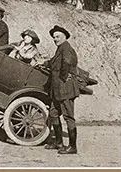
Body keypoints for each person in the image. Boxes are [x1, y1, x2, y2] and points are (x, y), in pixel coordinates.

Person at [43, 25, 80, 154]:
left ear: (64, 37)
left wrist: (64, 77)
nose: (55, 39)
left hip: (65, 88)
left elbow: (67, 62)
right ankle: (58, 143)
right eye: (54, 37)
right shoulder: (60, 49)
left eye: (57, 37)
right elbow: (54, 62)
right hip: (58, 90)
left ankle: (72, 147)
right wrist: (44, 63)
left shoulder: (66, 48)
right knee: (53, 113)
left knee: (68, 117)